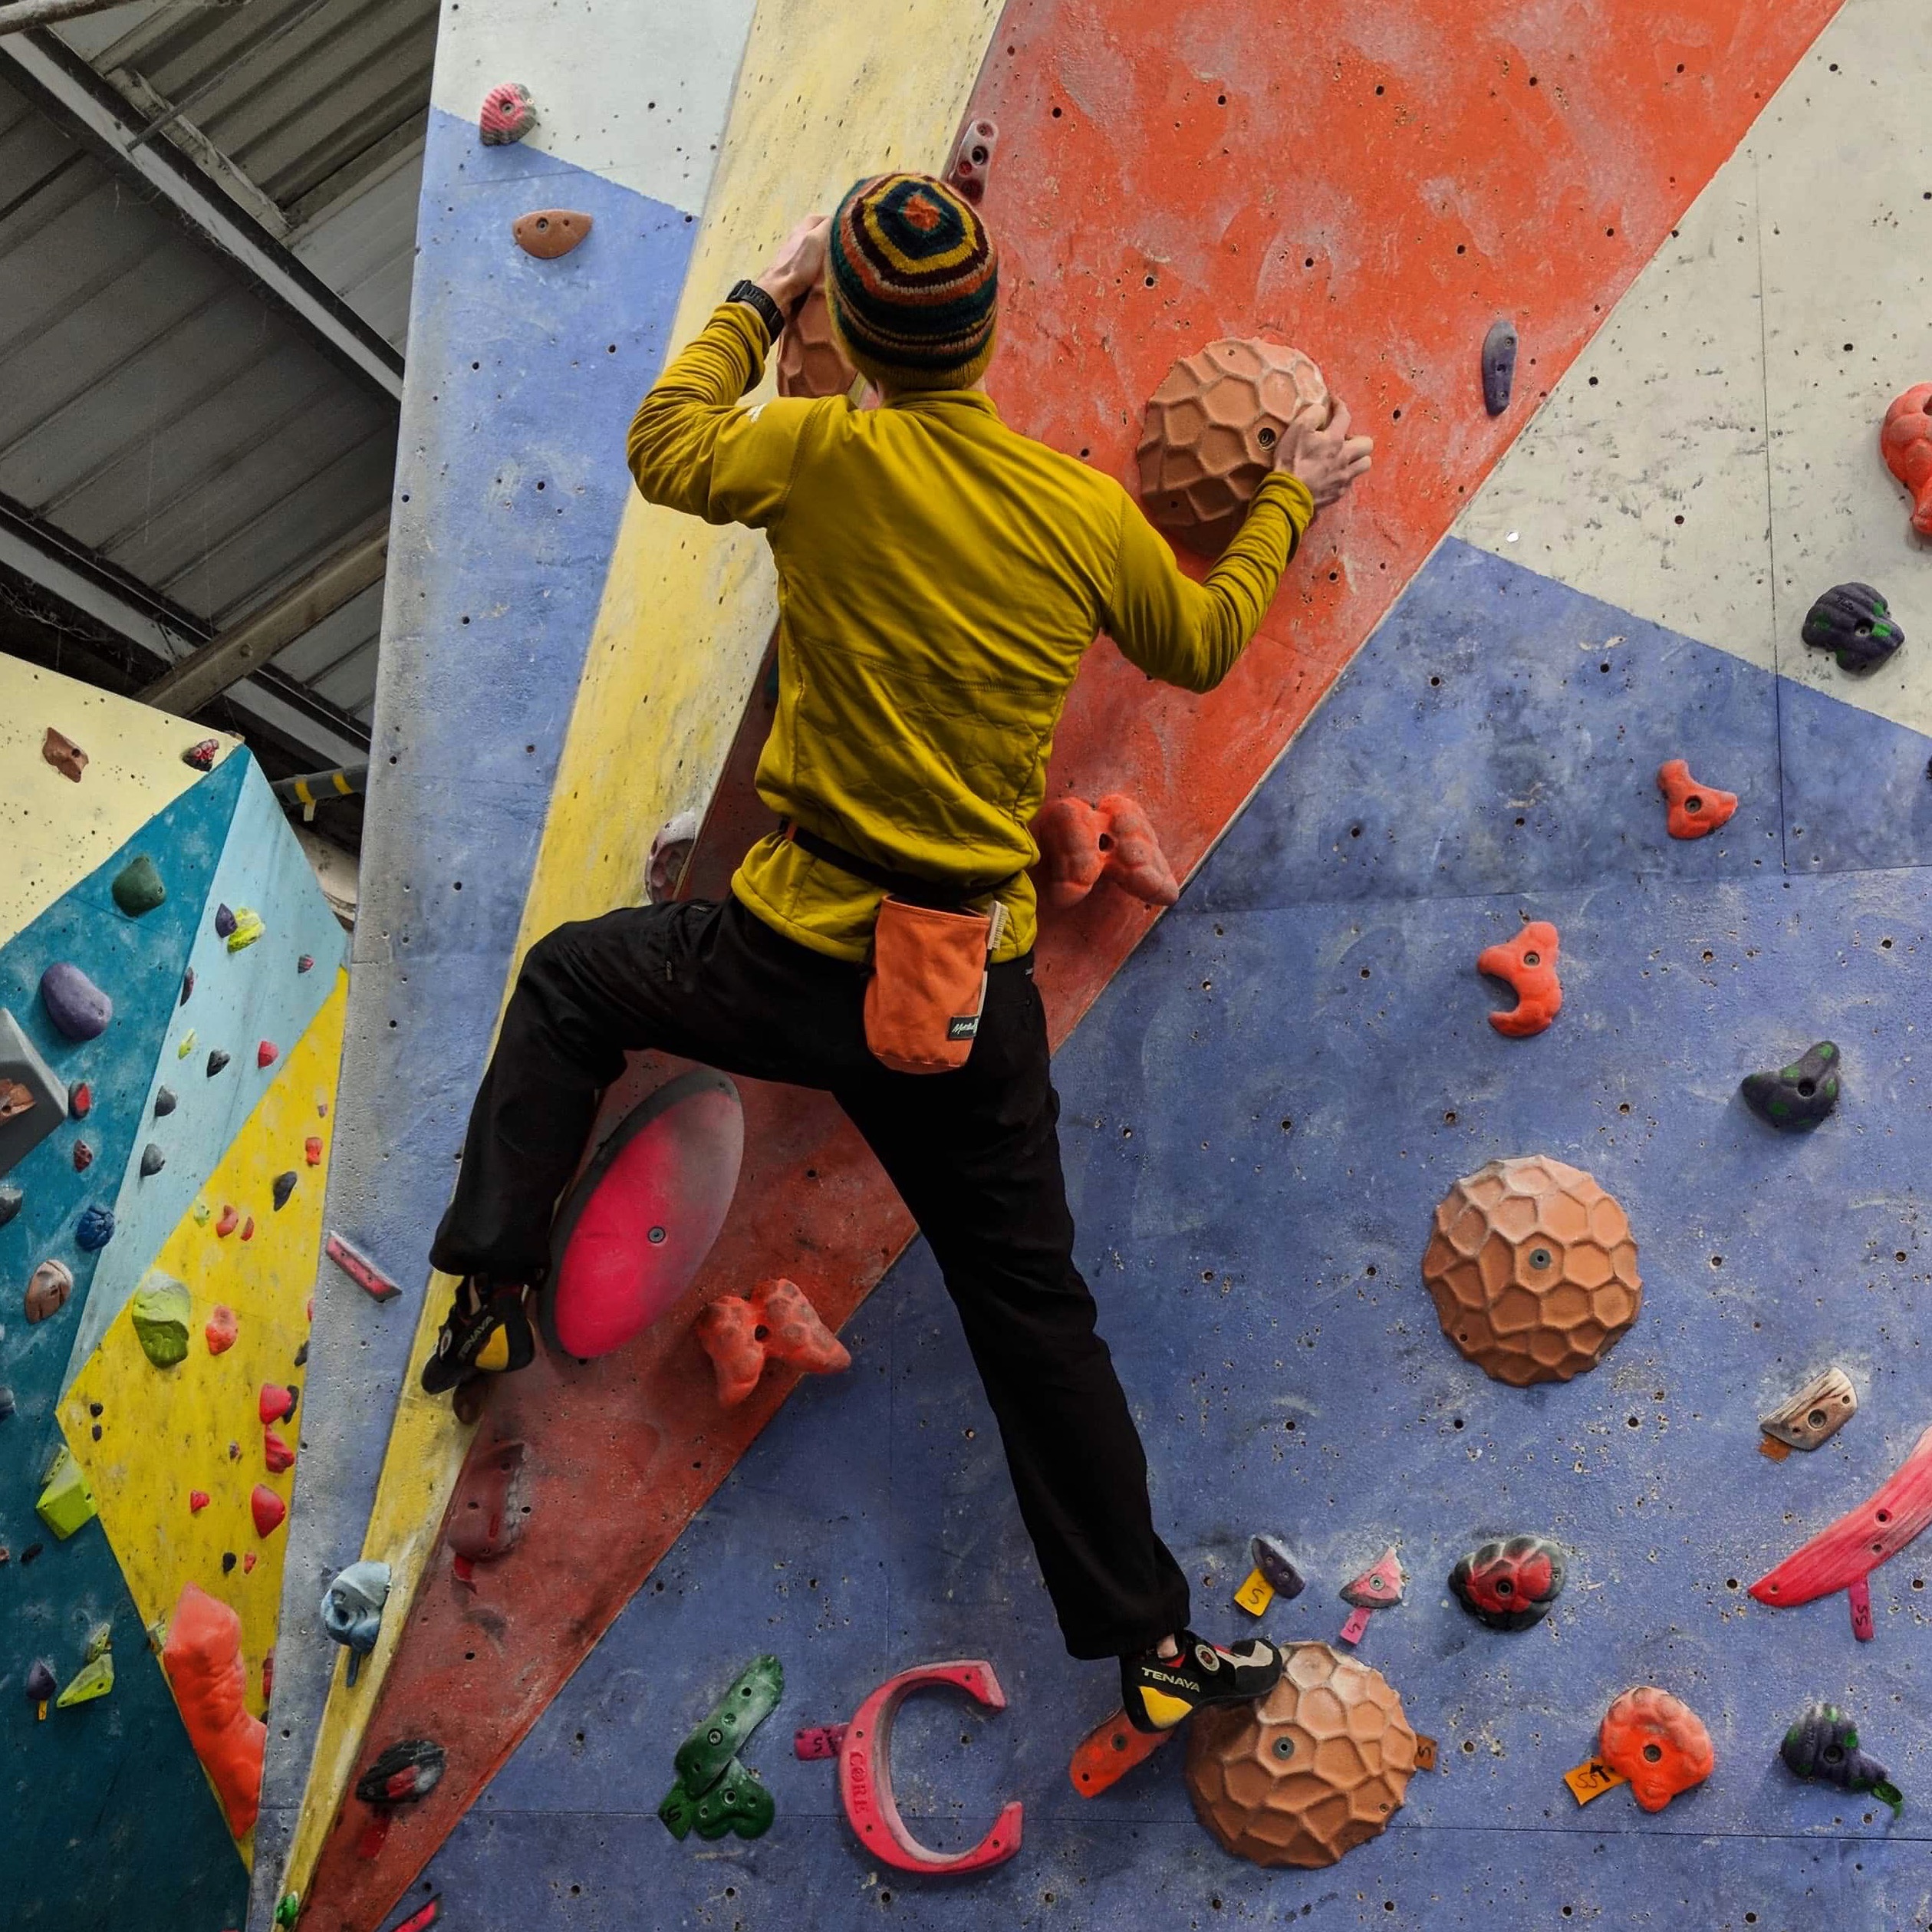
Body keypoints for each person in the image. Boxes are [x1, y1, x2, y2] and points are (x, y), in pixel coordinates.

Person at [422, 173, 1373, 1733]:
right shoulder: (1079, 514)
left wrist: (758, 296)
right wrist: (1291, 497)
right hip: (960, 997)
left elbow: (663, 445)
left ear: (849, 331)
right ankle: (1149, 1642)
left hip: (781, 955)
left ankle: (488, 1288)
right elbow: (1199, 644)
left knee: (577, 982)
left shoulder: (815, 453)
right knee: (1032, 1316)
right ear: (992, 332)